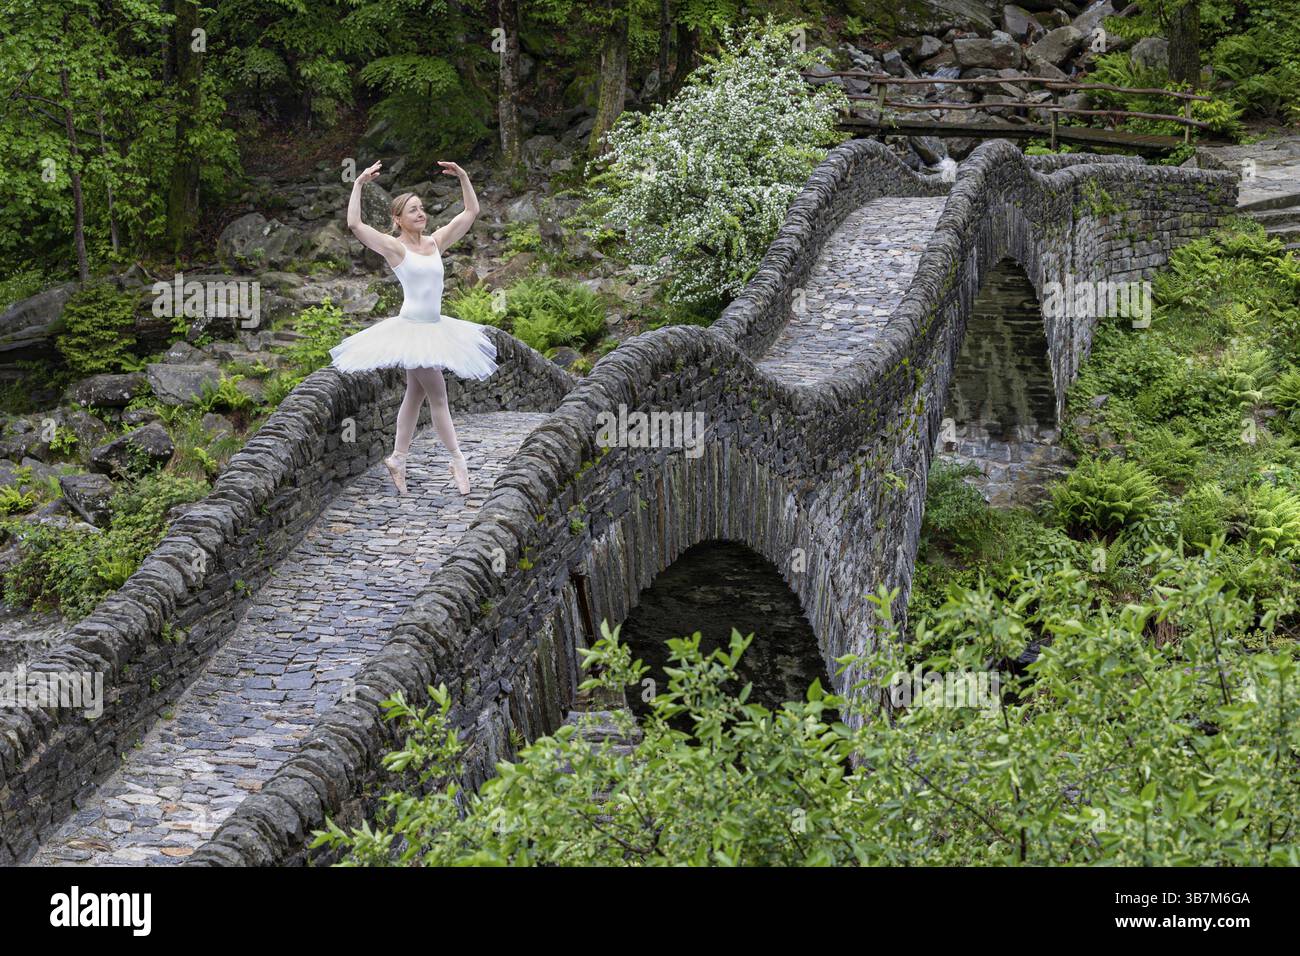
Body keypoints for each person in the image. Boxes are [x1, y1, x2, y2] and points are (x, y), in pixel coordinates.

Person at [329, 158, 497, 495]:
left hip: (436, 327)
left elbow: (470, 213)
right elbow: (355, 225)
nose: (421, 214)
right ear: (398, 220)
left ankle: (398, 458)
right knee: (438, 396)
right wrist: (359, 183)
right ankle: (458, 459)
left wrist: (463, 176)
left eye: (422, 209)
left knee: (415, 394)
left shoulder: (435, 243)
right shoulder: (395, 248)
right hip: (412, 330)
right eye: (413, 211)